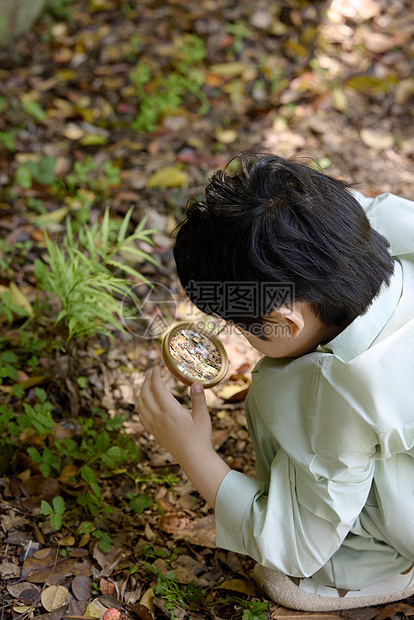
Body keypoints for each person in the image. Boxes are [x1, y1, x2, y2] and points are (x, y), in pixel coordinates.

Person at [137, 153, 414, 611]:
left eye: (240, 324)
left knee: (291, 580)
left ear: (283, 321)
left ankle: (383, 565)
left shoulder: (344, 392)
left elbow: (301, 545)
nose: (236, 333)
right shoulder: (378, 222)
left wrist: (195, 453)